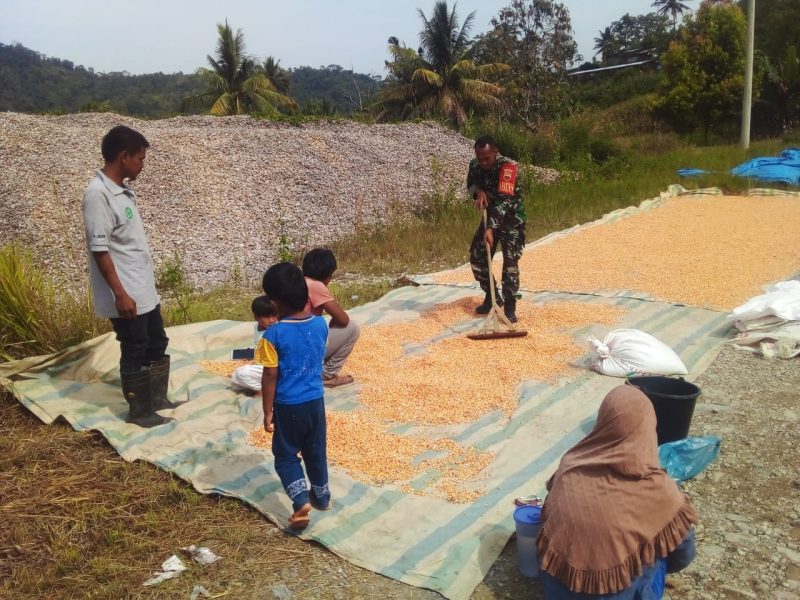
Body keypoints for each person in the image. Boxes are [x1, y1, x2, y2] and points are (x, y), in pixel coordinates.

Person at [536, 385, 698, 599]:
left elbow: (546, 519)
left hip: (557, 592)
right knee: (660, 545)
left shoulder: (570, 466)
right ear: (648, 427)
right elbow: (683, 555)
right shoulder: (660, 490)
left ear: (603, 422)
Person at [82, 125, 177, 428]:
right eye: (140, 158)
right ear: (124, 156)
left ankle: (157, 399)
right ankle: (139, 411)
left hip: (142, 288)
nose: (142, 164)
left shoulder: (123, 191)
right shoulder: (98, 195)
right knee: (135, 347)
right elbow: (100, 250)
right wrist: (120, 294)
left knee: (156, 341)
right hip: (126, 292)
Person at [258, 262, 331, 529]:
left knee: (286, 454)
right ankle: (321, 496)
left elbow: (270, 375)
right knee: (316, 450)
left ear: (275, 302)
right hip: (316, 402)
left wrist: (268, 411)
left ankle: (301, 501)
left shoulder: (272, 335)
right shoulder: (321, 325)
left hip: (289, 405)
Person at [466, 135, 526, 323]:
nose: (483, 163)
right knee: (478, 258)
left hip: (510, 219)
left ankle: (510, 308)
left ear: (496, 152)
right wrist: (479, 192)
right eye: (480, 158)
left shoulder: (507, 168)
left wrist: (490, 228)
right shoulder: (475, 166)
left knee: (510, 264)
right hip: (490, 217)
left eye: (487, 158)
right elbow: (470, 185)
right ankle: (492, 297)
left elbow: (504, 202)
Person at [302, 247, 360, 388]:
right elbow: (343, 319)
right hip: (303, 351)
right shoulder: (316, 286)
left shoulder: (298, 282)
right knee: (352, 328)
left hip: (288, 348)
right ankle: (326, 375)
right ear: (328, 274)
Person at [230, 295, 279, 394]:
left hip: (274, 368)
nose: (272, 320)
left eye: (274, 315)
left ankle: (263, 391)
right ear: (256, 317)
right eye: (267, 317)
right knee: (234, 379)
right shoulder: (257, 327)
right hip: (263, 364)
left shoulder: (276, 330)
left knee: (241, 373)